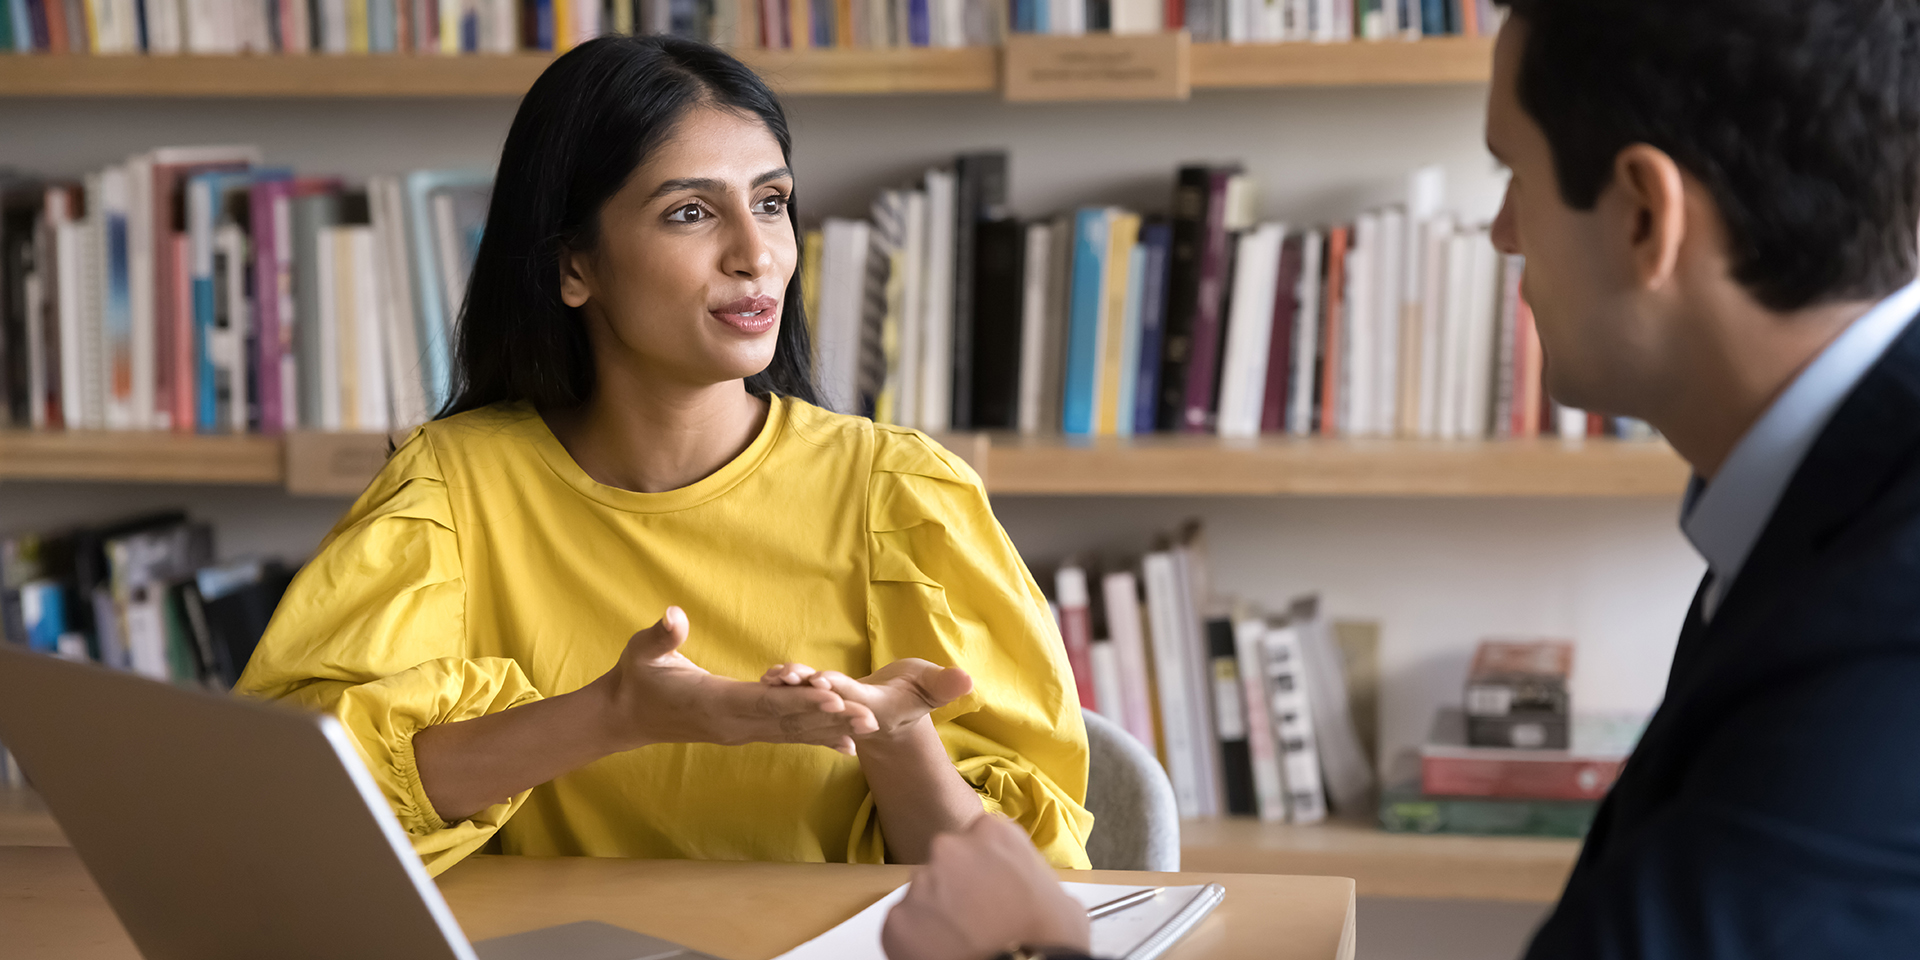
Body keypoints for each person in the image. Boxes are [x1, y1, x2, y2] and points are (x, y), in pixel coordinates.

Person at [882, 0, 1920, 957]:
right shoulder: (1821, 508)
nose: (1501, 231)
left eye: (1512, 173)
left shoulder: (1877, 630)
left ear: (1646, 217)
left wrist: (1045, 945)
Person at [236, 35, 1092, 877]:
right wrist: (615, 714)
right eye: (691, 212)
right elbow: (292, 806)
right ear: (575, 265)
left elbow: (1033, 885)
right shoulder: (448, 489)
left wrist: (895, 736)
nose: (757, 255)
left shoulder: (903, 496)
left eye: (770, 201)